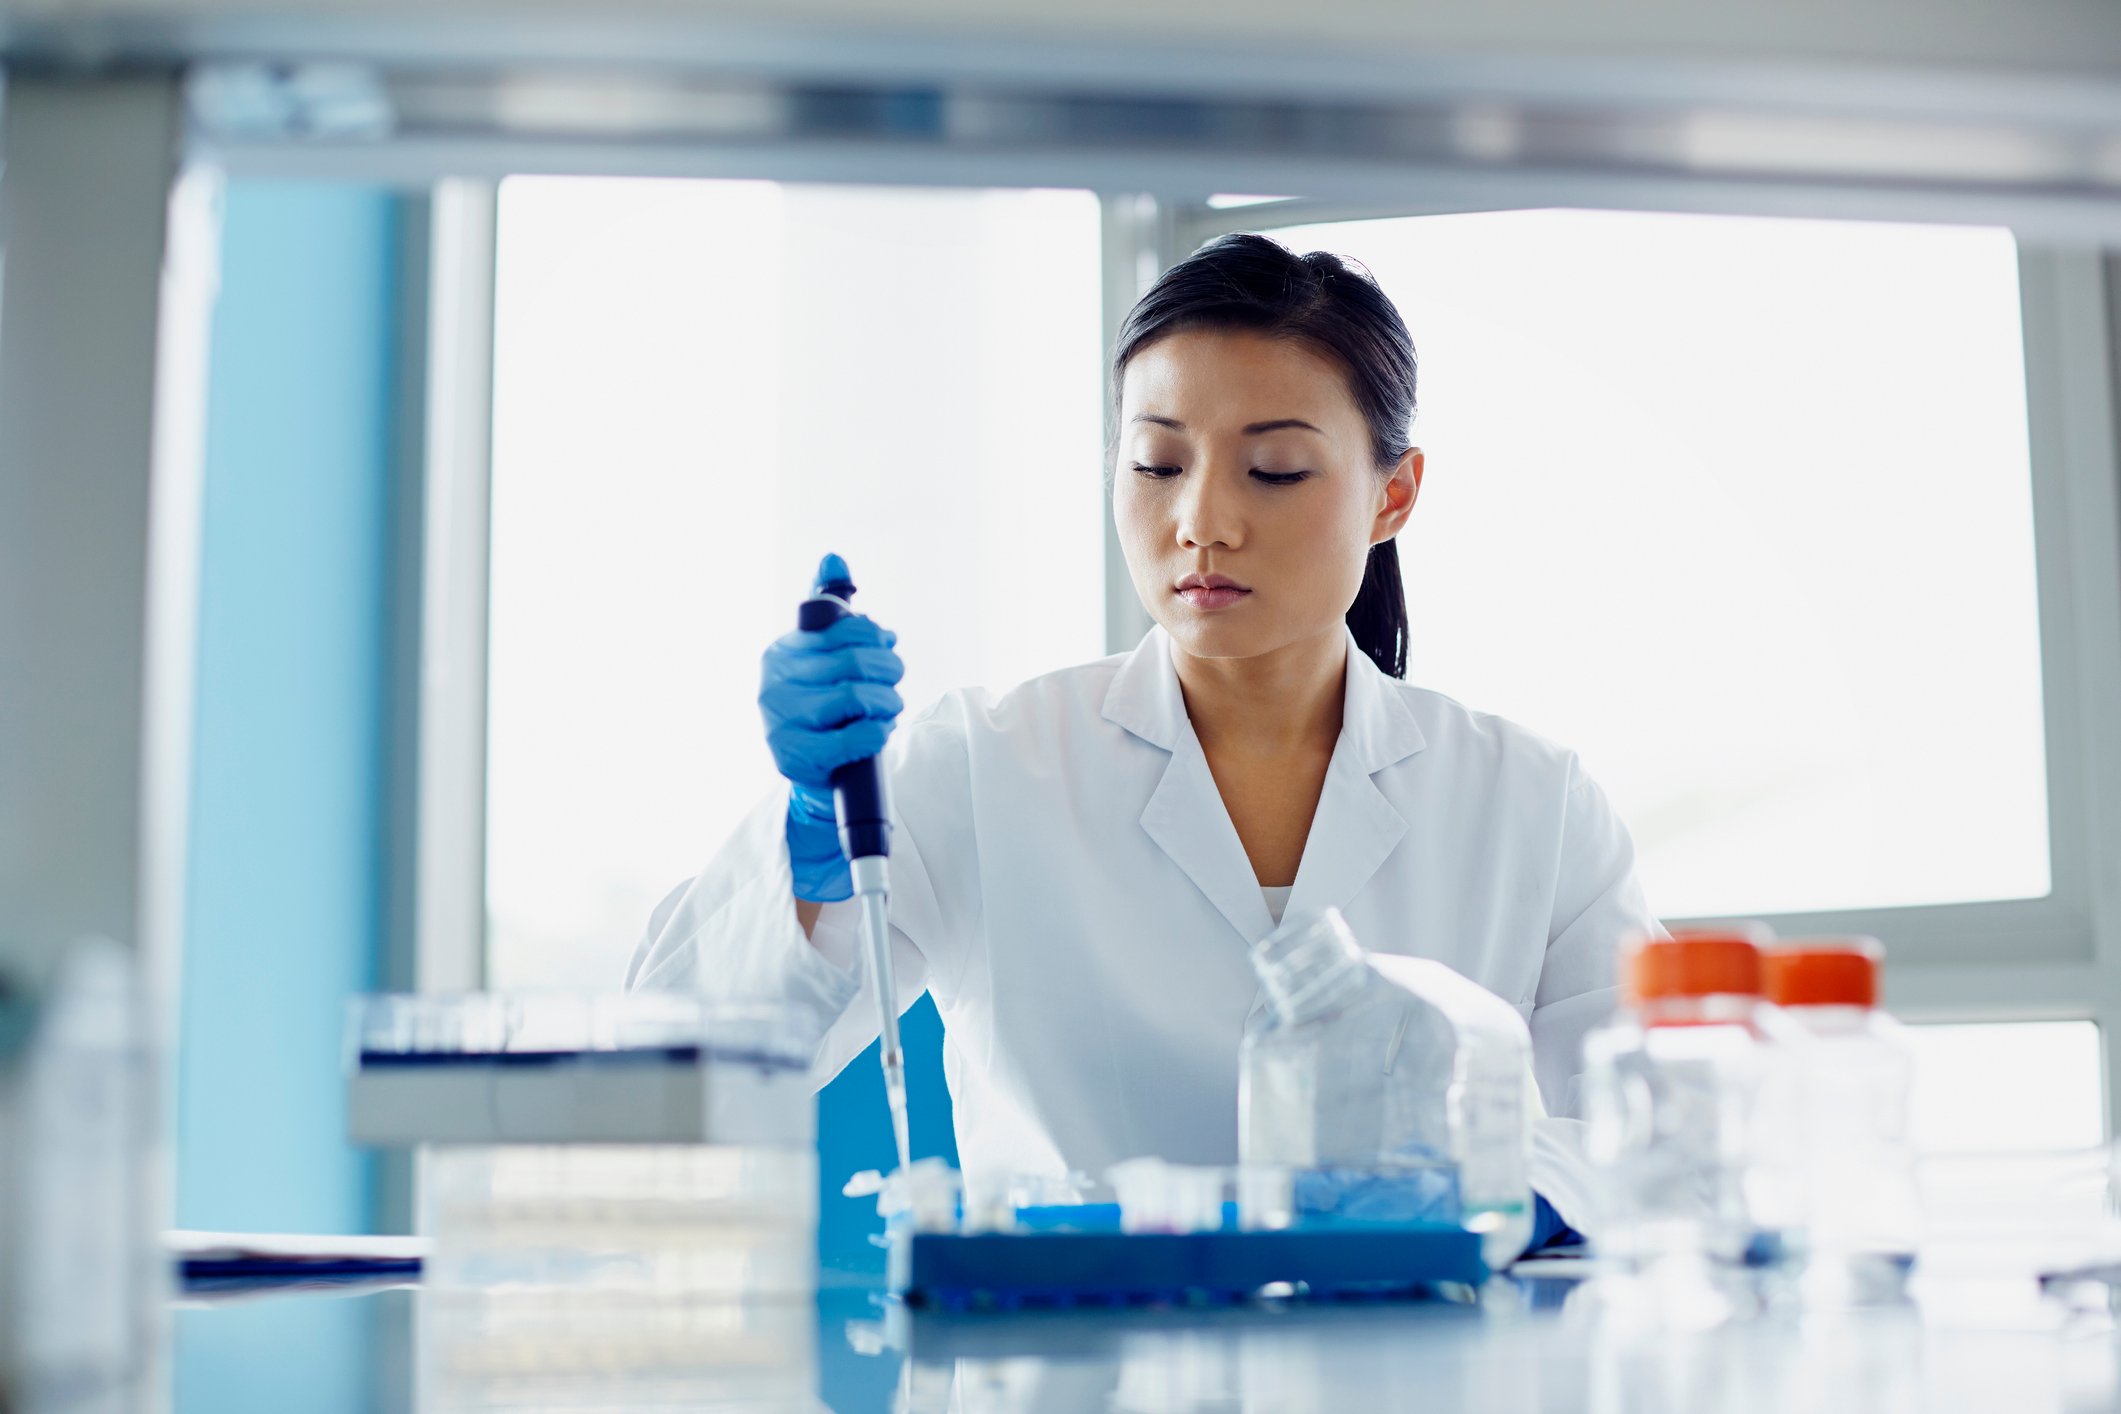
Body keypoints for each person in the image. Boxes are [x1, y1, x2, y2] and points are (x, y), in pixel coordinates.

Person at [628, 232, 1662, 1251]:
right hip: (1062, 1344)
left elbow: (1663, 1129)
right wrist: (808, 844)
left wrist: (1509, 1196)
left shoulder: (1531, 802)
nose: (1202, 520)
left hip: (1418, 1345)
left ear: (1392, 494)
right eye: (1158, 463)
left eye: (1274, 470)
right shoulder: (980, 767)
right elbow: (673, 1089)